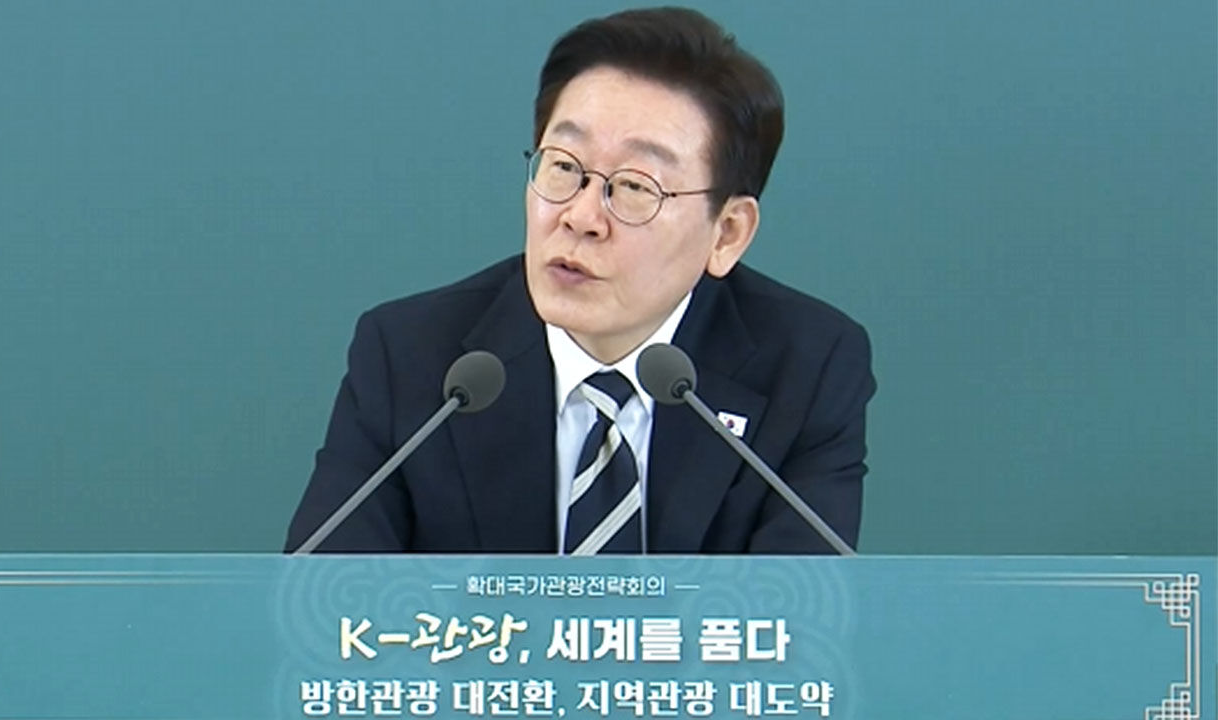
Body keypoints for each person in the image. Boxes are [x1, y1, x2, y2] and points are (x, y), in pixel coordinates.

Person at [284, 7, 875, 554]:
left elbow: (800, 613)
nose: (581, 216)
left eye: (635, 187)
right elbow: (324, 598)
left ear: (727, 233)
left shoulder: (808, 366)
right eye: (564, 167)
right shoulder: (410, 357)